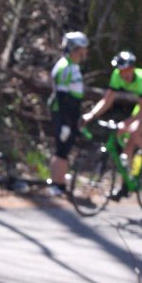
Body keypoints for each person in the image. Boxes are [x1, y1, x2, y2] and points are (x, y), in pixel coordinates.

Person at [81, 51, 142, 199]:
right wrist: (91, 115)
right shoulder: (117, 76)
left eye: (127, 70)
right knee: (127, 143)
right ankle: (125, 185)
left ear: (133, 68)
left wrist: (124, 124)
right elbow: (107, 100)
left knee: (135, 132)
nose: (124, 74)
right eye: (121, 71)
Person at [46, 31, 89, 196]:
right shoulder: (64, 67)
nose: (84, 53)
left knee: (65, 149)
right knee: (61, 149)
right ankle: (56, 184)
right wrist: (65, 122)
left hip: (71, 114)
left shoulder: (73, 66)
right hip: (62, 113)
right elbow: (62, 97)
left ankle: (61, 183)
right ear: (74, 49)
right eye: (82, 49)